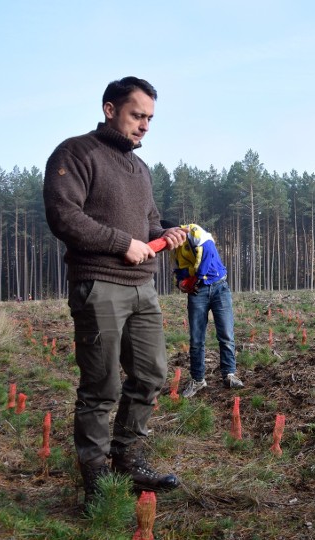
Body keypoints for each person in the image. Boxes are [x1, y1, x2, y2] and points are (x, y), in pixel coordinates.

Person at [43, 76, 186, 504]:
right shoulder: (76, 152)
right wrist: (122, 244)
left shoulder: (140, 169)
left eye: (150, 118)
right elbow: (63, 216)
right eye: (136, 115)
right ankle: (95, 480)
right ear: (110, 109)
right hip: (98, 284)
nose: (144, 125)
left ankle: (127, 458)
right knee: (100, 387)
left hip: (143, 287)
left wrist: (166, 233)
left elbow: (149, 224)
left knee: (151, 374)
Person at [167, 222, 243, 398]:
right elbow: (179, 271)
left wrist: (197, 278)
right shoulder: (176, 250)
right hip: (197, 292)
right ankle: (198, 379)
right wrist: (180, 283)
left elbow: (208, 250)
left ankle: (229, 374)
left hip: (218, 287)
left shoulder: (194, 231)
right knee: (196, 338)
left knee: (226, 334)